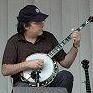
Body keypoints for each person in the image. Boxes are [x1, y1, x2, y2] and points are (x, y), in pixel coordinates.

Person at [1, 5, 80, 93]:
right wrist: (27, 65)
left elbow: (66, 63)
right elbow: (5, 70)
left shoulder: (49, 37)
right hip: (24, 84)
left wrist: (75, 46)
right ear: (26, 26)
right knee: (21, 88)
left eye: (42, 21)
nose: (42, 24)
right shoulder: (14, 41)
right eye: (37, 22)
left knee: (66, 76)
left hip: (49, 84)